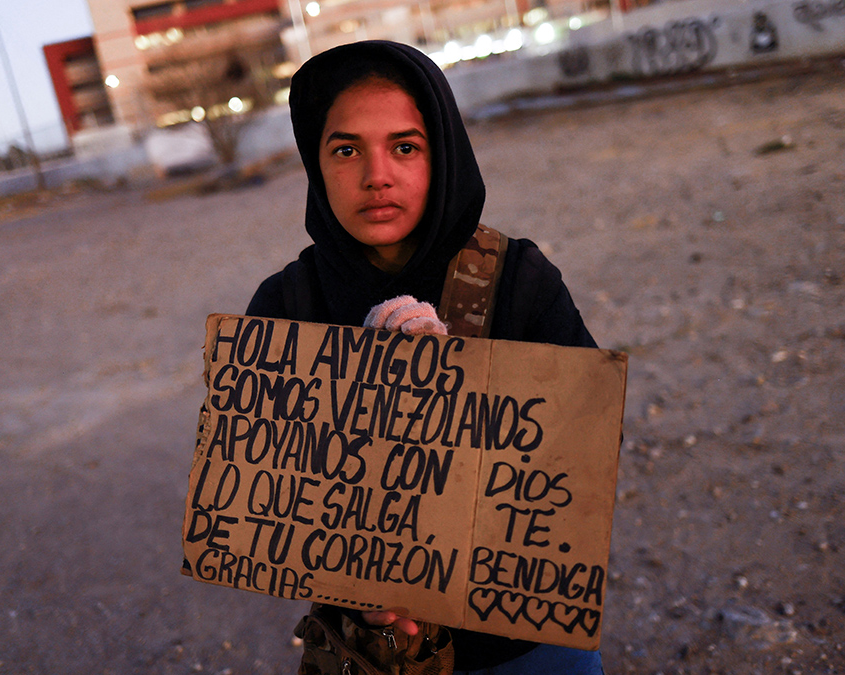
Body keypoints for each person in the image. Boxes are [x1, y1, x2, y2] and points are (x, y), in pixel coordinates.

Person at [246, 40, 603, 675]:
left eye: (404, 147)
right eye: (346, 149)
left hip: (522, 642)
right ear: (316, 164)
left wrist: (457, 392)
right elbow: (261, 492)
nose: (375, 175)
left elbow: (587, 455)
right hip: (370, 651)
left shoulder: (517, 277)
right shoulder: (287, 304)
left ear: (442, 155)